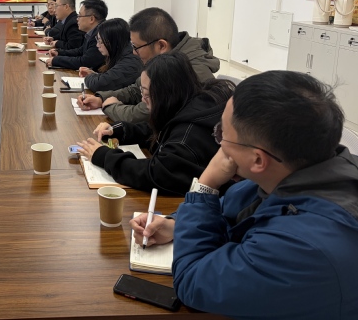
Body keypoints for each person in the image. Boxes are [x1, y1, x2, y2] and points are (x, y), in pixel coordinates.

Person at [130, 71, 358, 320]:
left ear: (258, 159)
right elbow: (229, 208)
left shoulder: (304, 248)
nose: (219, 144)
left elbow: (193, 282)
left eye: (222, 134)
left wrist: (205, 185)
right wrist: (176, 225)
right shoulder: (293, 170)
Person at [77, 52, 234, 195]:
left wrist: (104, 156)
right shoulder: (188, 102)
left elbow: (156, 174)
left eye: (146, 94)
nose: (143, 100)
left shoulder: (188, 134)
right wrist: (119, 130)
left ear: (166, 95)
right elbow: (160, 130)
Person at [77, 7, 220, 123]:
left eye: (136, 47)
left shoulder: (185, 71)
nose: (134, 52)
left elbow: (143, 114)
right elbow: (136, 89)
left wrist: (110, 106)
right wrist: (101, 98)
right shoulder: (164, 60)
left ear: (161, 46)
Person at [78, 18, 143, 92]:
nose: (97, 45)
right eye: (97, 40)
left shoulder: (130, 62)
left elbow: (100, 84)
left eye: (100, 41)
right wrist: (95, 75)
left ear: (113, 42)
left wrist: (89, 77)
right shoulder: (122, 54)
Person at [46, 0, 108, 70]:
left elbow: (84, 62)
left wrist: (57, 60)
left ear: (91, 19)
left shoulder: (100, 36)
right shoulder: (92, 32)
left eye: (80, 16)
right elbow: (80, 51)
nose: (77, 19)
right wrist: (59, 53)